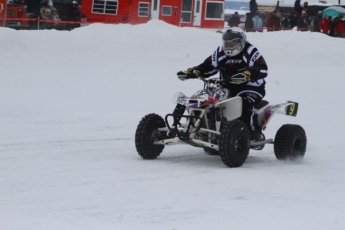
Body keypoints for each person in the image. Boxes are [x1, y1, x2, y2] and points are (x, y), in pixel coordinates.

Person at [183, 27, 268, 140]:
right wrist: (195, 71)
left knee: (243, 103)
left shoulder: (250, 51)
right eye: (227, 43)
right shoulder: (220, 52)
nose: (230, 45)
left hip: (251, 87)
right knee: (207, 101)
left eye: (233, 42)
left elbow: (262, 68)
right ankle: (208, 130)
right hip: (227, 87)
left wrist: (249, 73)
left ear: (241, 42)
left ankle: (253, 132)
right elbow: (208, 66)